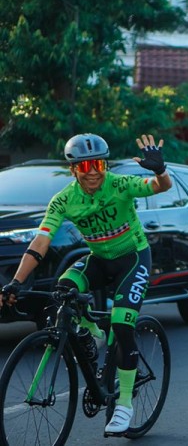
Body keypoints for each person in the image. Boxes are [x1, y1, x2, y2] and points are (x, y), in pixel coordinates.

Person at [0, 133, 172, 434]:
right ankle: (88, 333)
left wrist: (160, 171)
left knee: (121, 322)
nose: (92, 170)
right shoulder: (64, 200)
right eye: (84, 165)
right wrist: (16, 282)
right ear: (73, 170)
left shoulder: (118, 184)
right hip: (99, 259)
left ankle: (124, 405)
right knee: (63, 290)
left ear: (104, 165)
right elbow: (40, 242)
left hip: (133, 258)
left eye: (98, 164)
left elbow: (159, 186)